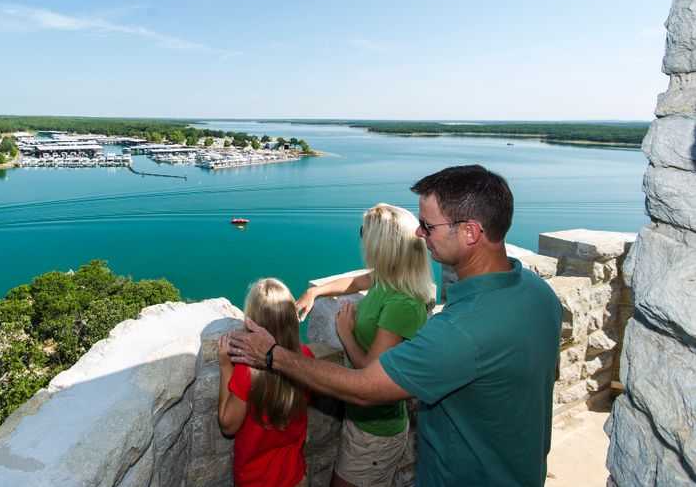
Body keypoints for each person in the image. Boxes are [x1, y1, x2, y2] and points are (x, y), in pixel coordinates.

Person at [228, 165, 563, 487]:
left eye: (427, 226)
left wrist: (273, 355)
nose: (419, 233)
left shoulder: (460, 331)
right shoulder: (538, 294)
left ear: (470, 232)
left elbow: (365, 387)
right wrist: (317, 290)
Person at [294, 203, 433, 487]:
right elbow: (357, 282)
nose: (363, 239)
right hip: (362, 423)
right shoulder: (389, 277)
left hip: (376, 434)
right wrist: (315, 291)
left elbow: (371, 374)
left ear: (384, 245)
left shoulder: (402, 304)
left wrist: (345, 333)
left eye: (365, 233)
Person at [217, 278, 316, 487]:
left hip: (255, 480)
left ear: (252, 322)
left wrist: (226, 366)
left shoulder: (247, 371)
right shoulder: (306, 358)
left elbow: (228, 426)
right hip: (295, 476)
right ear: (290, 318)